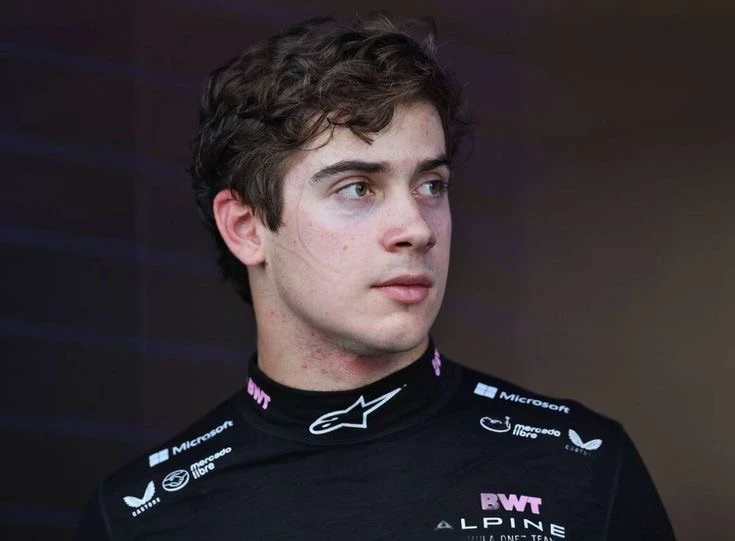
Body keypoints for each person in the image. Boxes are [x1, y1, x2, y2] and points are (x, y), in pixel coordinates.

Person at [74, 13, 675, 540]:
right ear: (247, 227)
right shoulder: (138, 516)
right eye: (358, 188)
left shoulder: (584, 464)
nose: (417, 228)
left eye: (431, 185)